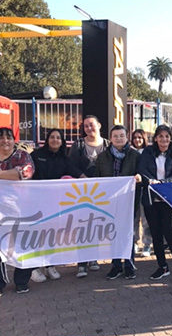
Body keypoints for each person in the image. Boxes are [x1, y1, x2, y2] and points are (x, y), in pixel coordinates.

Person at [30, 128, 85, 283]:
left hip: (54, 205)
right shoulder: (36, 155)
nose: (55, 140)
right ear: (47, 139)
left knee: (51, 235)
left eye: (58, 138)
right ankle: (34, 267)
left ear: (62, 142)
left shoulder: (65, 159)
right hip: (36, 202)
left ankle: (49, 265)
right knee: (36, 235)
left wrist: (92, 183)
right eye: (52, 137)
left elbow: (77, 173)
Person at [137, 125, 172, 283]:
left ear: (171, 139)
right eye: (161, 136)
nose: (164, 139)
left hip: (167, 199)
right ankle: (162, 266)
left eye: (167, 136)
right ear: (156, 138)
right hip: (151, 199)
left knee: (170, 233)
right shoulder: (147, 153)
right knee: (156, 234)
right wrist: (150, 181)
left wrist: (161, 183)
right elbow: (142, 169)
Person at [95, 125, 141, 280]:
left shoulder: (135, 155)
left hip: (129, 200)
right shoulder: (102, 157)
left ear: (127, 137)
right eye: (115, 136)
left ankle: (129, 264)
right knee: (113, 232)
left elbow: (141, 173)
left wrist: (139, 177)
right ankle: (116, 265)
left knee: (128, 232)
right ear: (111, 138)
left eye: (122, 135)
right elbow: (98, 179)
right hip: (110, 202)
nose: (119, 139)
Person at [69, 115, 110, 277]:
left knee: (97, 223)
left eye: (91, 125)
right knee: (82, 225)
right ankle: (82, 263)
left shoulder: (108, 145)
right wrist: (81, 176)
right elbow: (70, 165)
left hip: (102, 192)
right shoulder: (78, 145)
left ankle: (93, 258)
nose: (89, 128)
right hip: (82, 192)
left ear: (99, 125)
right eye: (85, 126)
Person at [0, 127, 35, 295]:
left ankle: (21, 281)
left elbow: (25, 172)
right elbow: (15, 174)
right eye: (1, 138)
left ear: (14, 140)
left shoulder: (22, 155)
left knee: (21, 243)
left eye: (8, 137)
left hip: (20, 207)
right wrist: (9, 174)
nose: (5, 141)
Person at [131, 129, 152, 257]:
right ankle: (134, 241)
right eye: (135, 137)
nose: (137, 140)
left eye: (140, 137)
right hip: (133, 189)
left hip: (145, 188)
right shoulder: (129, 152)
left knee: (145, 219)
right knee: (134, 218)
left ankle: (147, 244)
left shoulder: (149, 152)